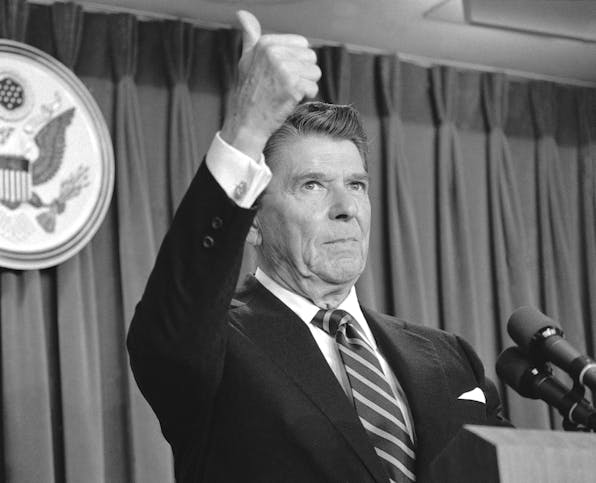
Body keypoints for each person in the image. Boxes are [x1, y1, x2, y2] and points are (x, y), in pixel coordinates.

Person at [127, 10, 507, 483]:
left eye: (357, 185)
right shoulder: (213, 345)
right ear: (253, 223)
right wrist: (246, 129)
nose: (347, 208)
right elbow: (174, 314)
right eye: (312, 185)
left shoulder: (450, 355)